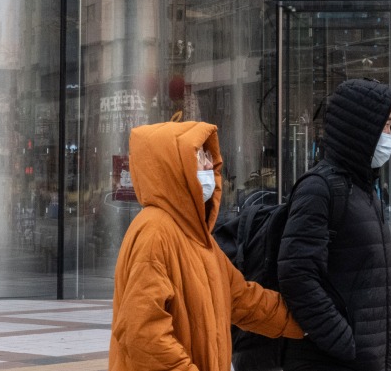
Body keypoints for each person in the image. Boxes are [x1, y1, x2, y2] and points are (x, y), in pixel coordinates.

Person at [110, 120, 304, 371]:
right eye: (198, 155)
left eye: (208, 155)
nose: (209, 164)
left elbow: (243, 299)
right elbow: (143, 334)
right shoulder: (154, 232)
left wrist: (308, 321)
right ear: (173, 166)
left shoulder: (198, 238)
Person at [277, 79, 391, 371]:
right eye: (384, 125)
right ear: (360, 127)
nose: (389, 136)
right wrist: (344, 342)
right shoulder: (319, 188)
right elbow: (297, 274)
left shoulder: (363, 188)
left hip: (365, 360)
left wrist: (387, 339)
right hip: (329, 361)